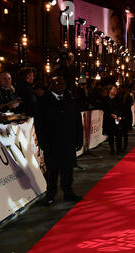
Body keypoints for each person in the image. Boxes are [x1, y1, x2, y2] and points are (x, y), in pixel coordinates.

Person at [34, 76, 83, 205]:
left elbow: (78, 121)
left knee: (68, 169)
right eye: (58, 83)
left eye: (63, 83)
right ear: (52, 85)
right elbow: (39, 124)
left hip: (68, 141)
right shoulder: (44, 100)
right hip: (52, 142)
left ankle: (68, 192)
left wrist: (79, 139)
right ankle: (50, 195)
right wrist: (43, 142)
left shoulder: (70, 99)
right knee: (52, 171)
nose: (61, 86)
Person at [103, 85, 123, 154]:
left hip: (117, 119)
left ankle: (119, 149)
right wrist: (110, 114)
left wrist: (119, 116)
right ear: (109, 90)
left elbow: (120, 109)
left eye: (115, 89)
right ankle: (112, 149)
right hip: (109, 120)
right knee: (110, 135)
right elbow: (104, 109)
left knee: (118, 135)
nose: (115, 91)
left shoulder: (118, 99)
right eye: (113, 89)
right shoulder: (105, 99)